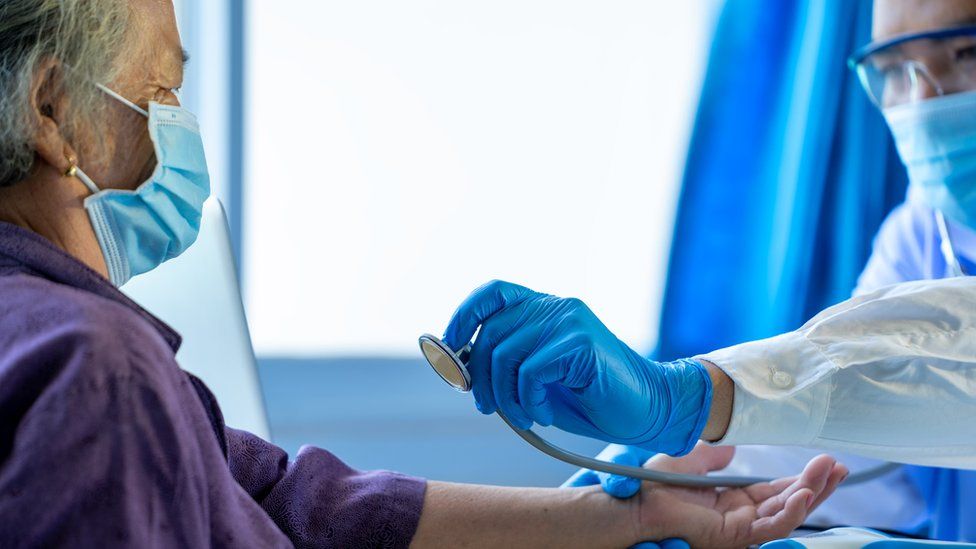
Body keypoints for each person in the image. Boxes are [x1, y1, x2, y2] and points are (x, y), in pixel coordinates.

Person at [0, 1, 845, 547]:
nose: (180, 128)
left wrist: (616, 515)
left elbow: (289, 500)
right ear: (51, 112)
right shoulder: (96, 367)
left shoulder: (59, 342)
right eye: (162, 91)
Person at [441, 0, 976, 541]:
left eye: (967, 53)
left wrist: (689, 397)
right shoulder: (922, 235)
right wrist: (688, 469)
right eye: (894, 70)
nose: (924, 103)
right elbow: (871, 415)